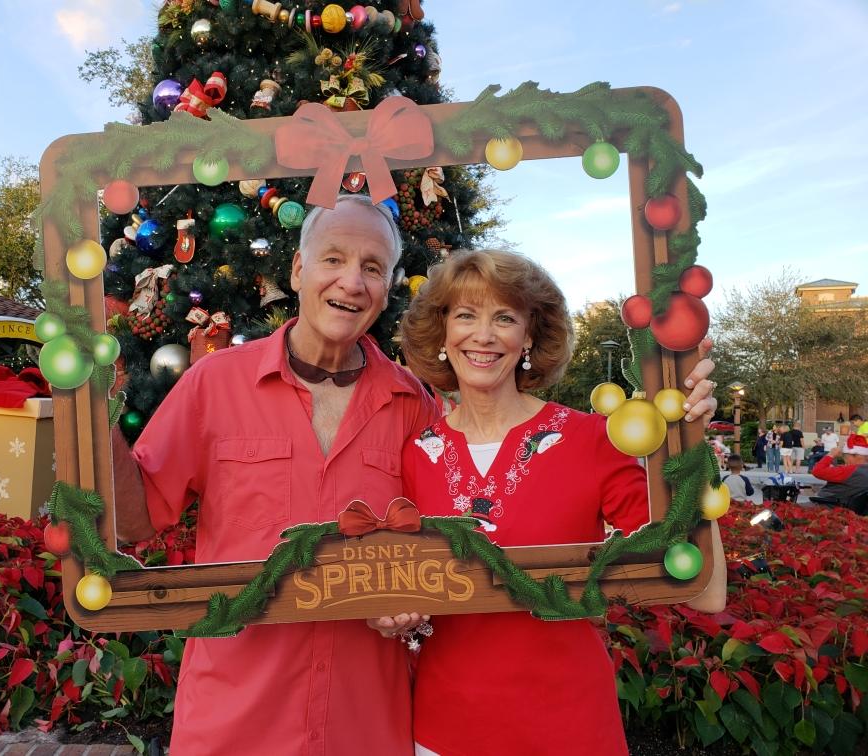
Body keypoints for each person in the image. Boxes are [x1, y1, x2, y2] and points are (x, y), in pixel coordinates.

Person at [113, 195, 440, 755]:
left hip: (363, 724)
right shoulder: (214, 383)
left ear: (387, 288)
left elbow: (441, 544)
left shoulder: (414, 405)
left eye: (372, 268)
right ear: (297, 270)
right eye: (333, 259)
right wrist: (97, 416)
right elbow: (136, 520)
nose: (352, 282)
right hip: (232, 720)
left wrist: (413, 599)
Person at [395, 249, 726, 756]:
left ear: (528, 336)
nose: (483, 335)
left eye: (504, 317)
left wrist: (690, 445)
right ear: (441, 334)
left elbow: (703, 590)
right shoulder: (414, 456)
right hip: (445, 729)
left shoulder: (590, 439)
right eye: (465, 315)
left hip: (567, 726)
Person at [811, 434, 868, 514]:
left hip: (828, 507)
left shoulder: (851, 470)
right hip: (847, 506)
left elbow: (817, 471)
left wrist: (831, 455)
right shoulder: (863, 469)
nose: (845, 460)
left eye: (845, 456)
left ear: (855, 455)